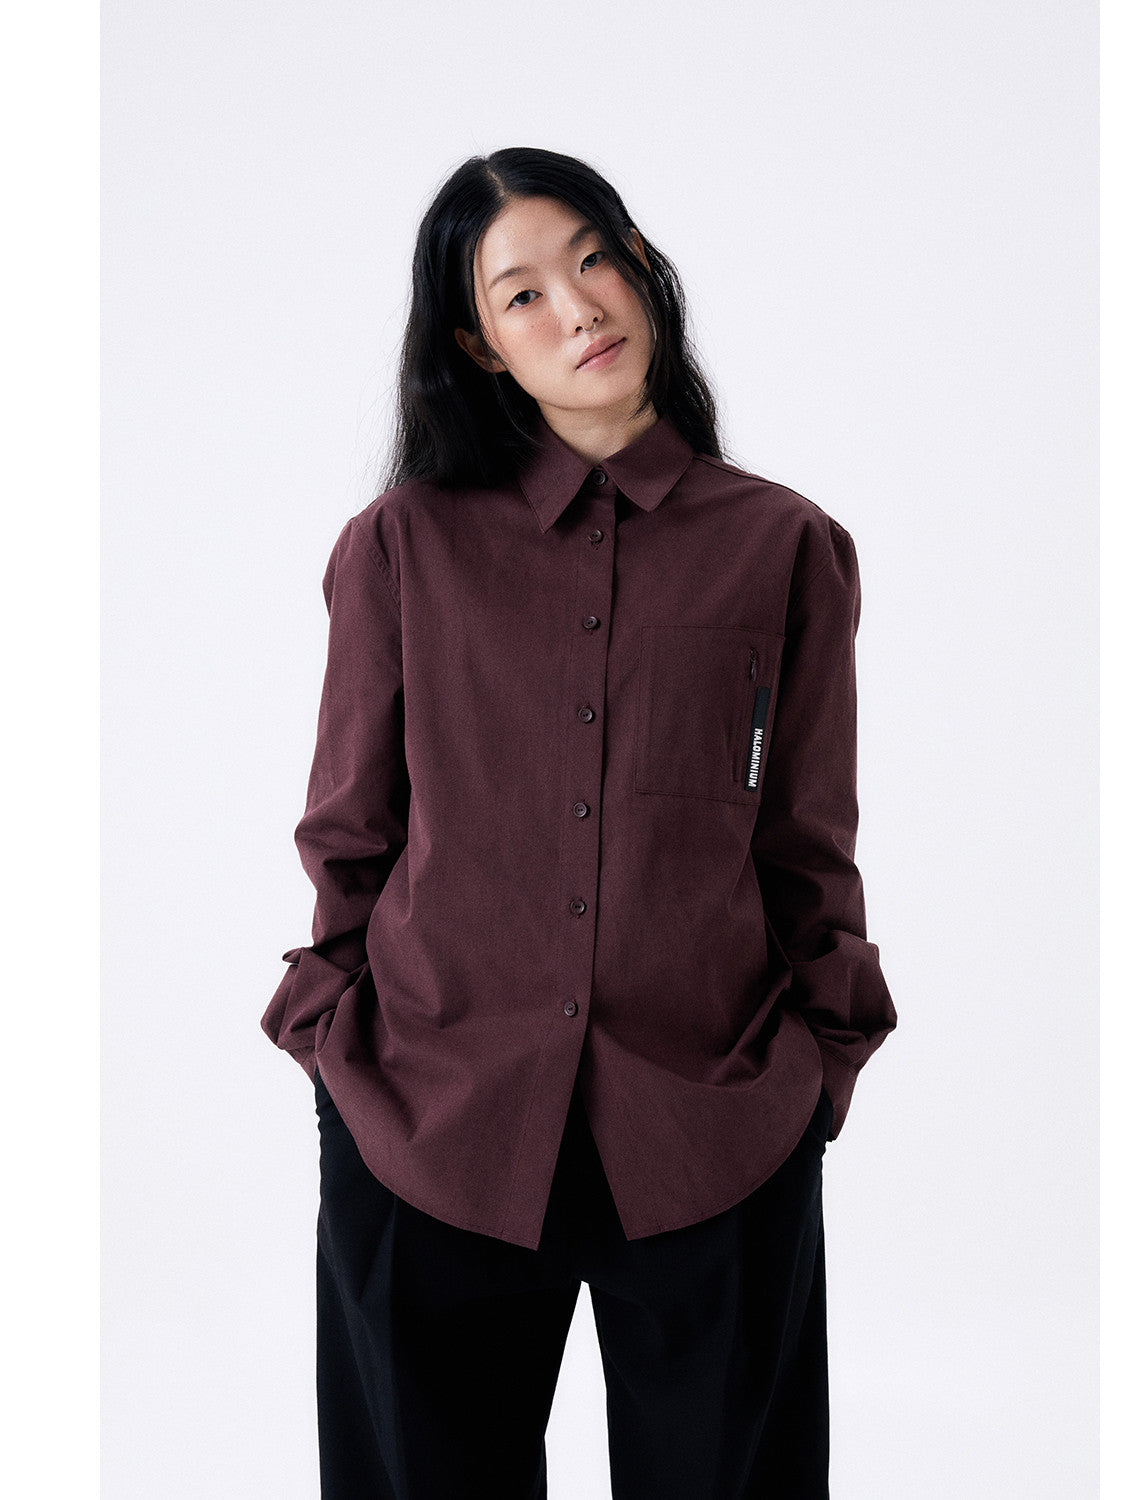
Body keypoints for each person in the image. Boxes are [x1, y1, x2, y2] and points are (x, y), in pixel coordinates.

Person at [261, 145, 898, 1499]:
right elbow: (351, 834)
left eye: (593, 258)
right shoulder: (401, 547)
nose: (578, 308)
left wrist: (817, 1073)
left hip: (713, 1123)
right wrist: (337, 1056)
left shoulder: (784, 547)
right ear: (478, 345)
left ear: (643, 262)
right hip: (430, 1124)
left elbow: (808, 844)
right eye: (523, 294)